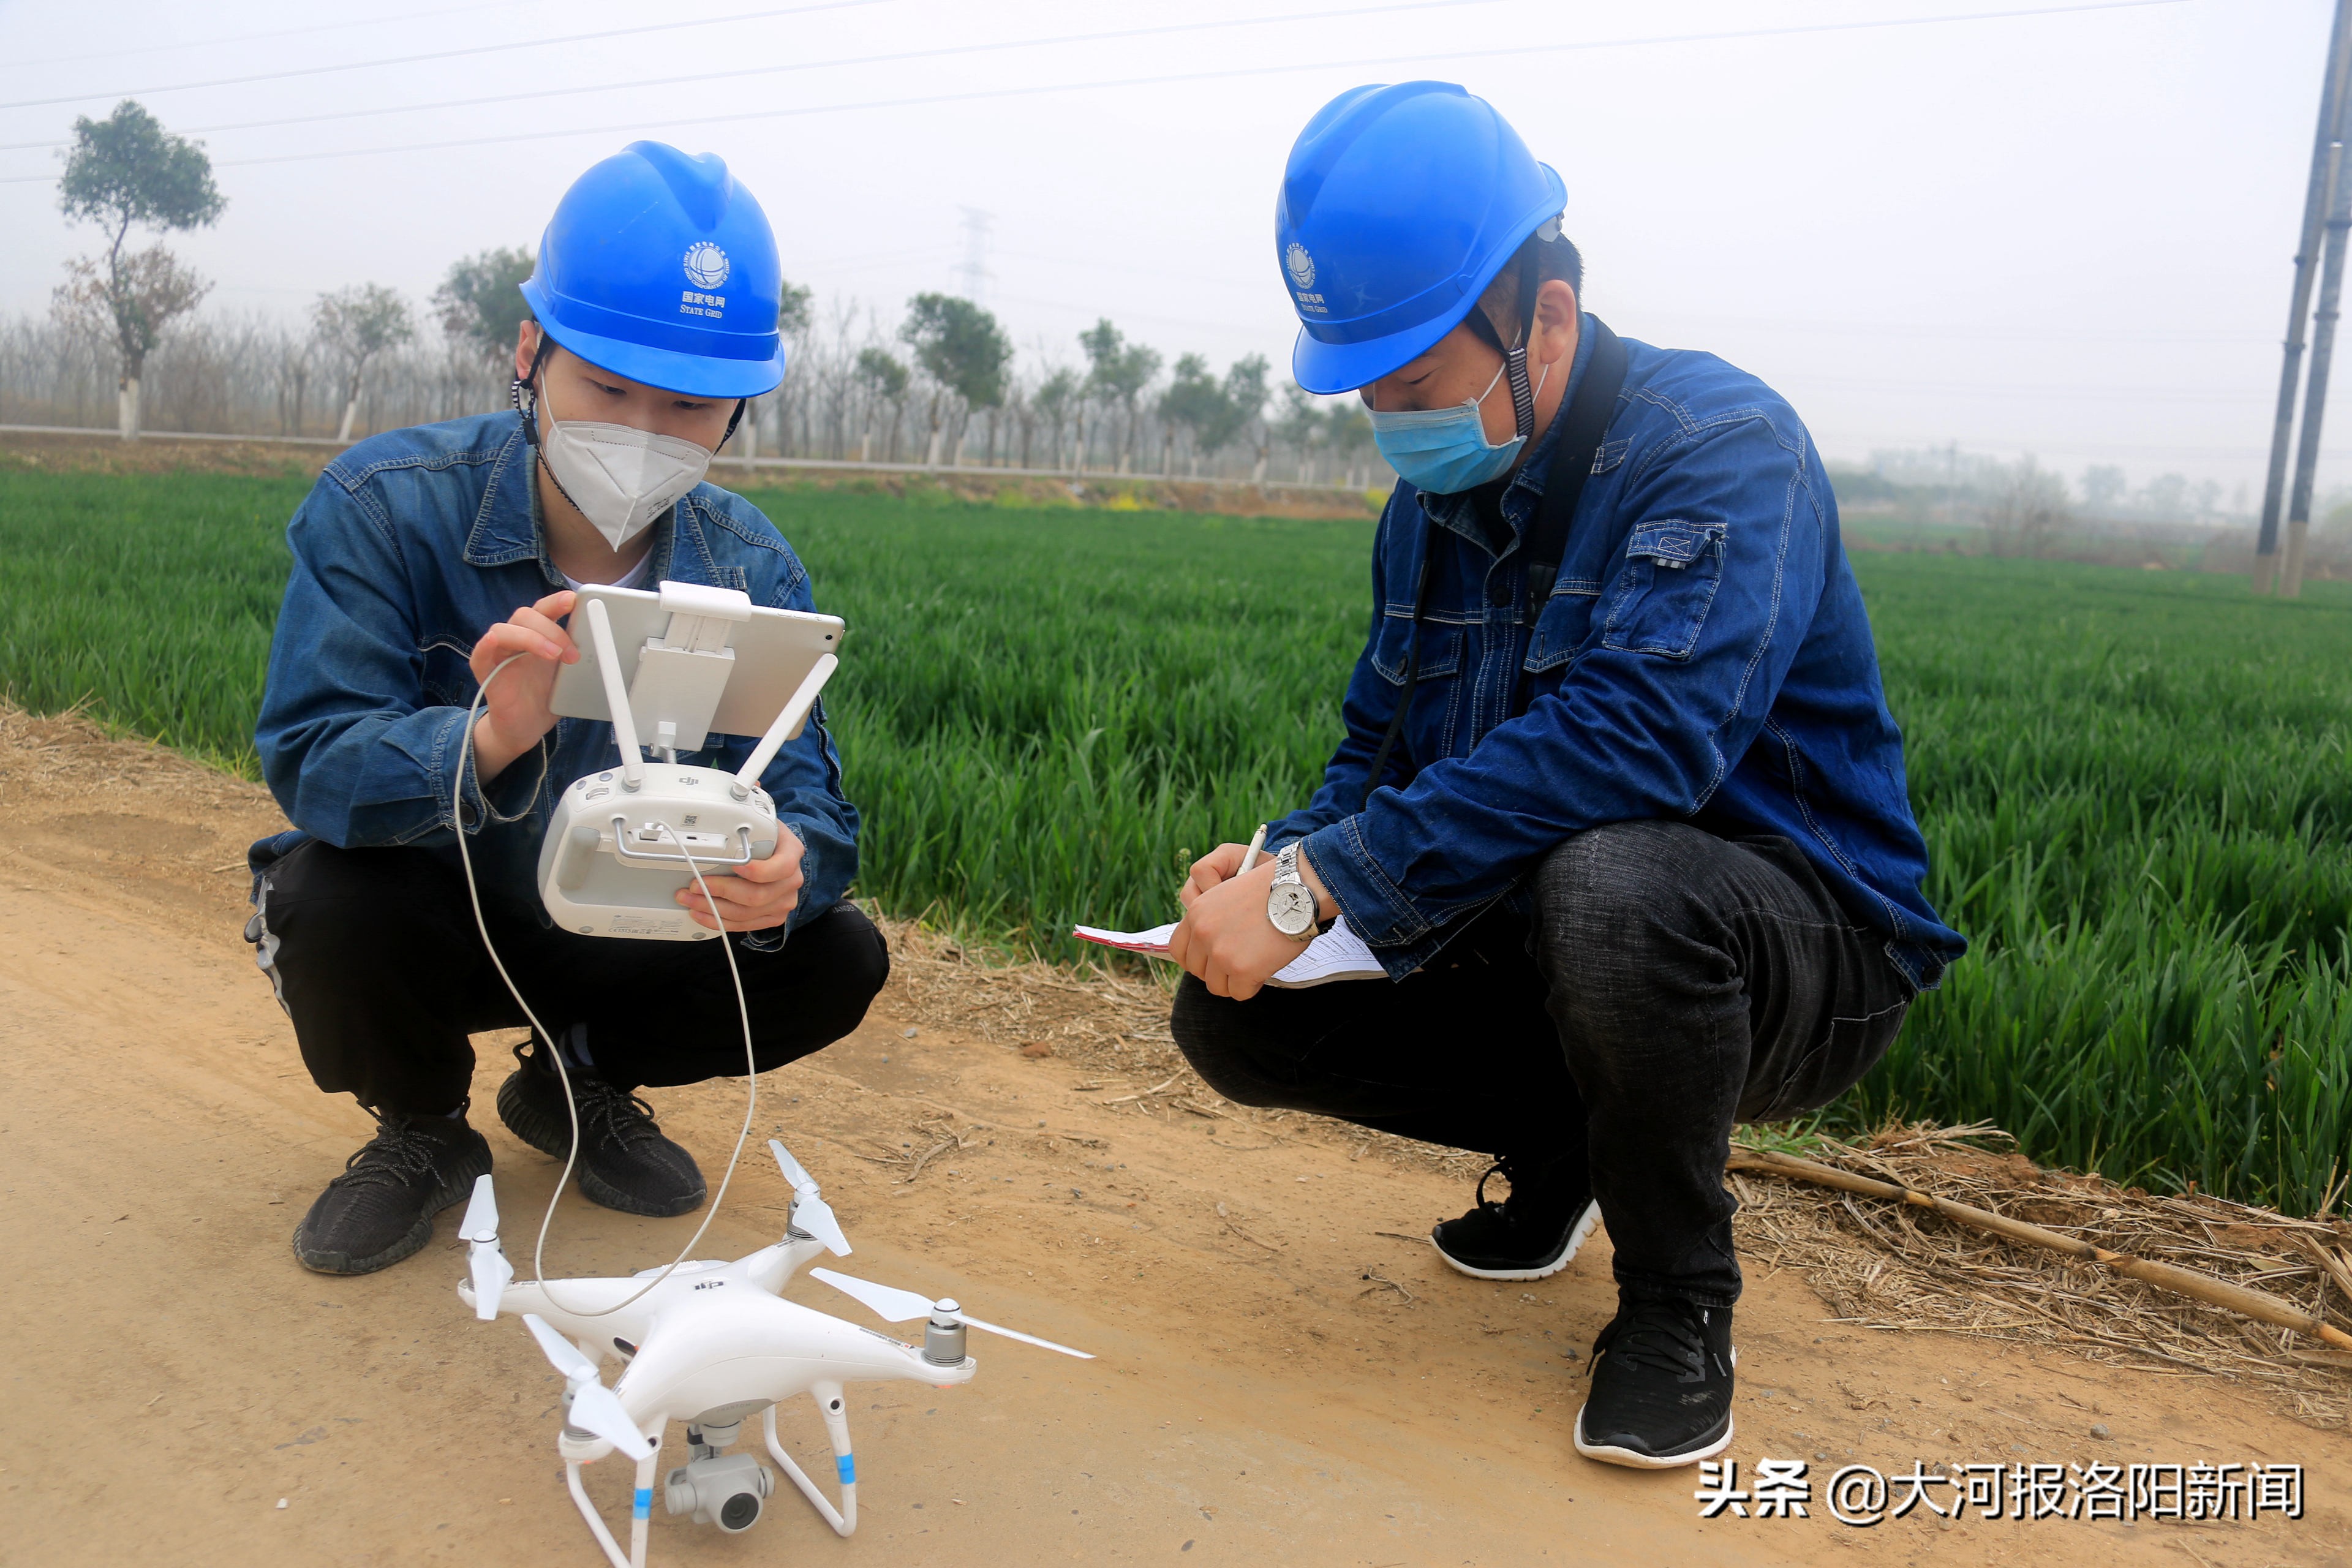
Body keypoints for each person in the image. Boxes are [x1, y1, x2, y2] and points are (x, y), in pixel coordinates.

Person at [1166, 83, 1964, 1470]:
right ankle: (1571, 1152)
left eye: (1415, 386)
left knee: (1616, 882)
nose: (1391, 425)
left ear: (1543, 313)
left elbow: (1639, 738)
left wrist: (1325, 884)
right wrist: (1277, 858)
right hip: (1569, 930)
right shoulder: (1430, 510)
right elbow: (1381, 749)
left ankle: (1674, 1300)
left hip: (1802, 937)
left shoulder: (1716, 447)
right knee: (1235, 1016)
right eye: (1368, 394)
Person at [245, 141, 886, 1281]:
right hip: (445, 921)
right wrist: (490, 738)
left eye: (689, 404)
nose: (643, 430)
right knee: (326, 894)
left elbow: (811, 803)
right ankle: (424, 1130)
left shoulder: (752, 566)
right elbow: (313, 756)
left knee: (832, 953)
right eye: (608, 387)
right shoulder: (384, 506)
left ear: (737, 411)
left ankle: (577, 1080)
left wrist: (793, 865)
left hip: (630, 926)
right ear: (532, 353)